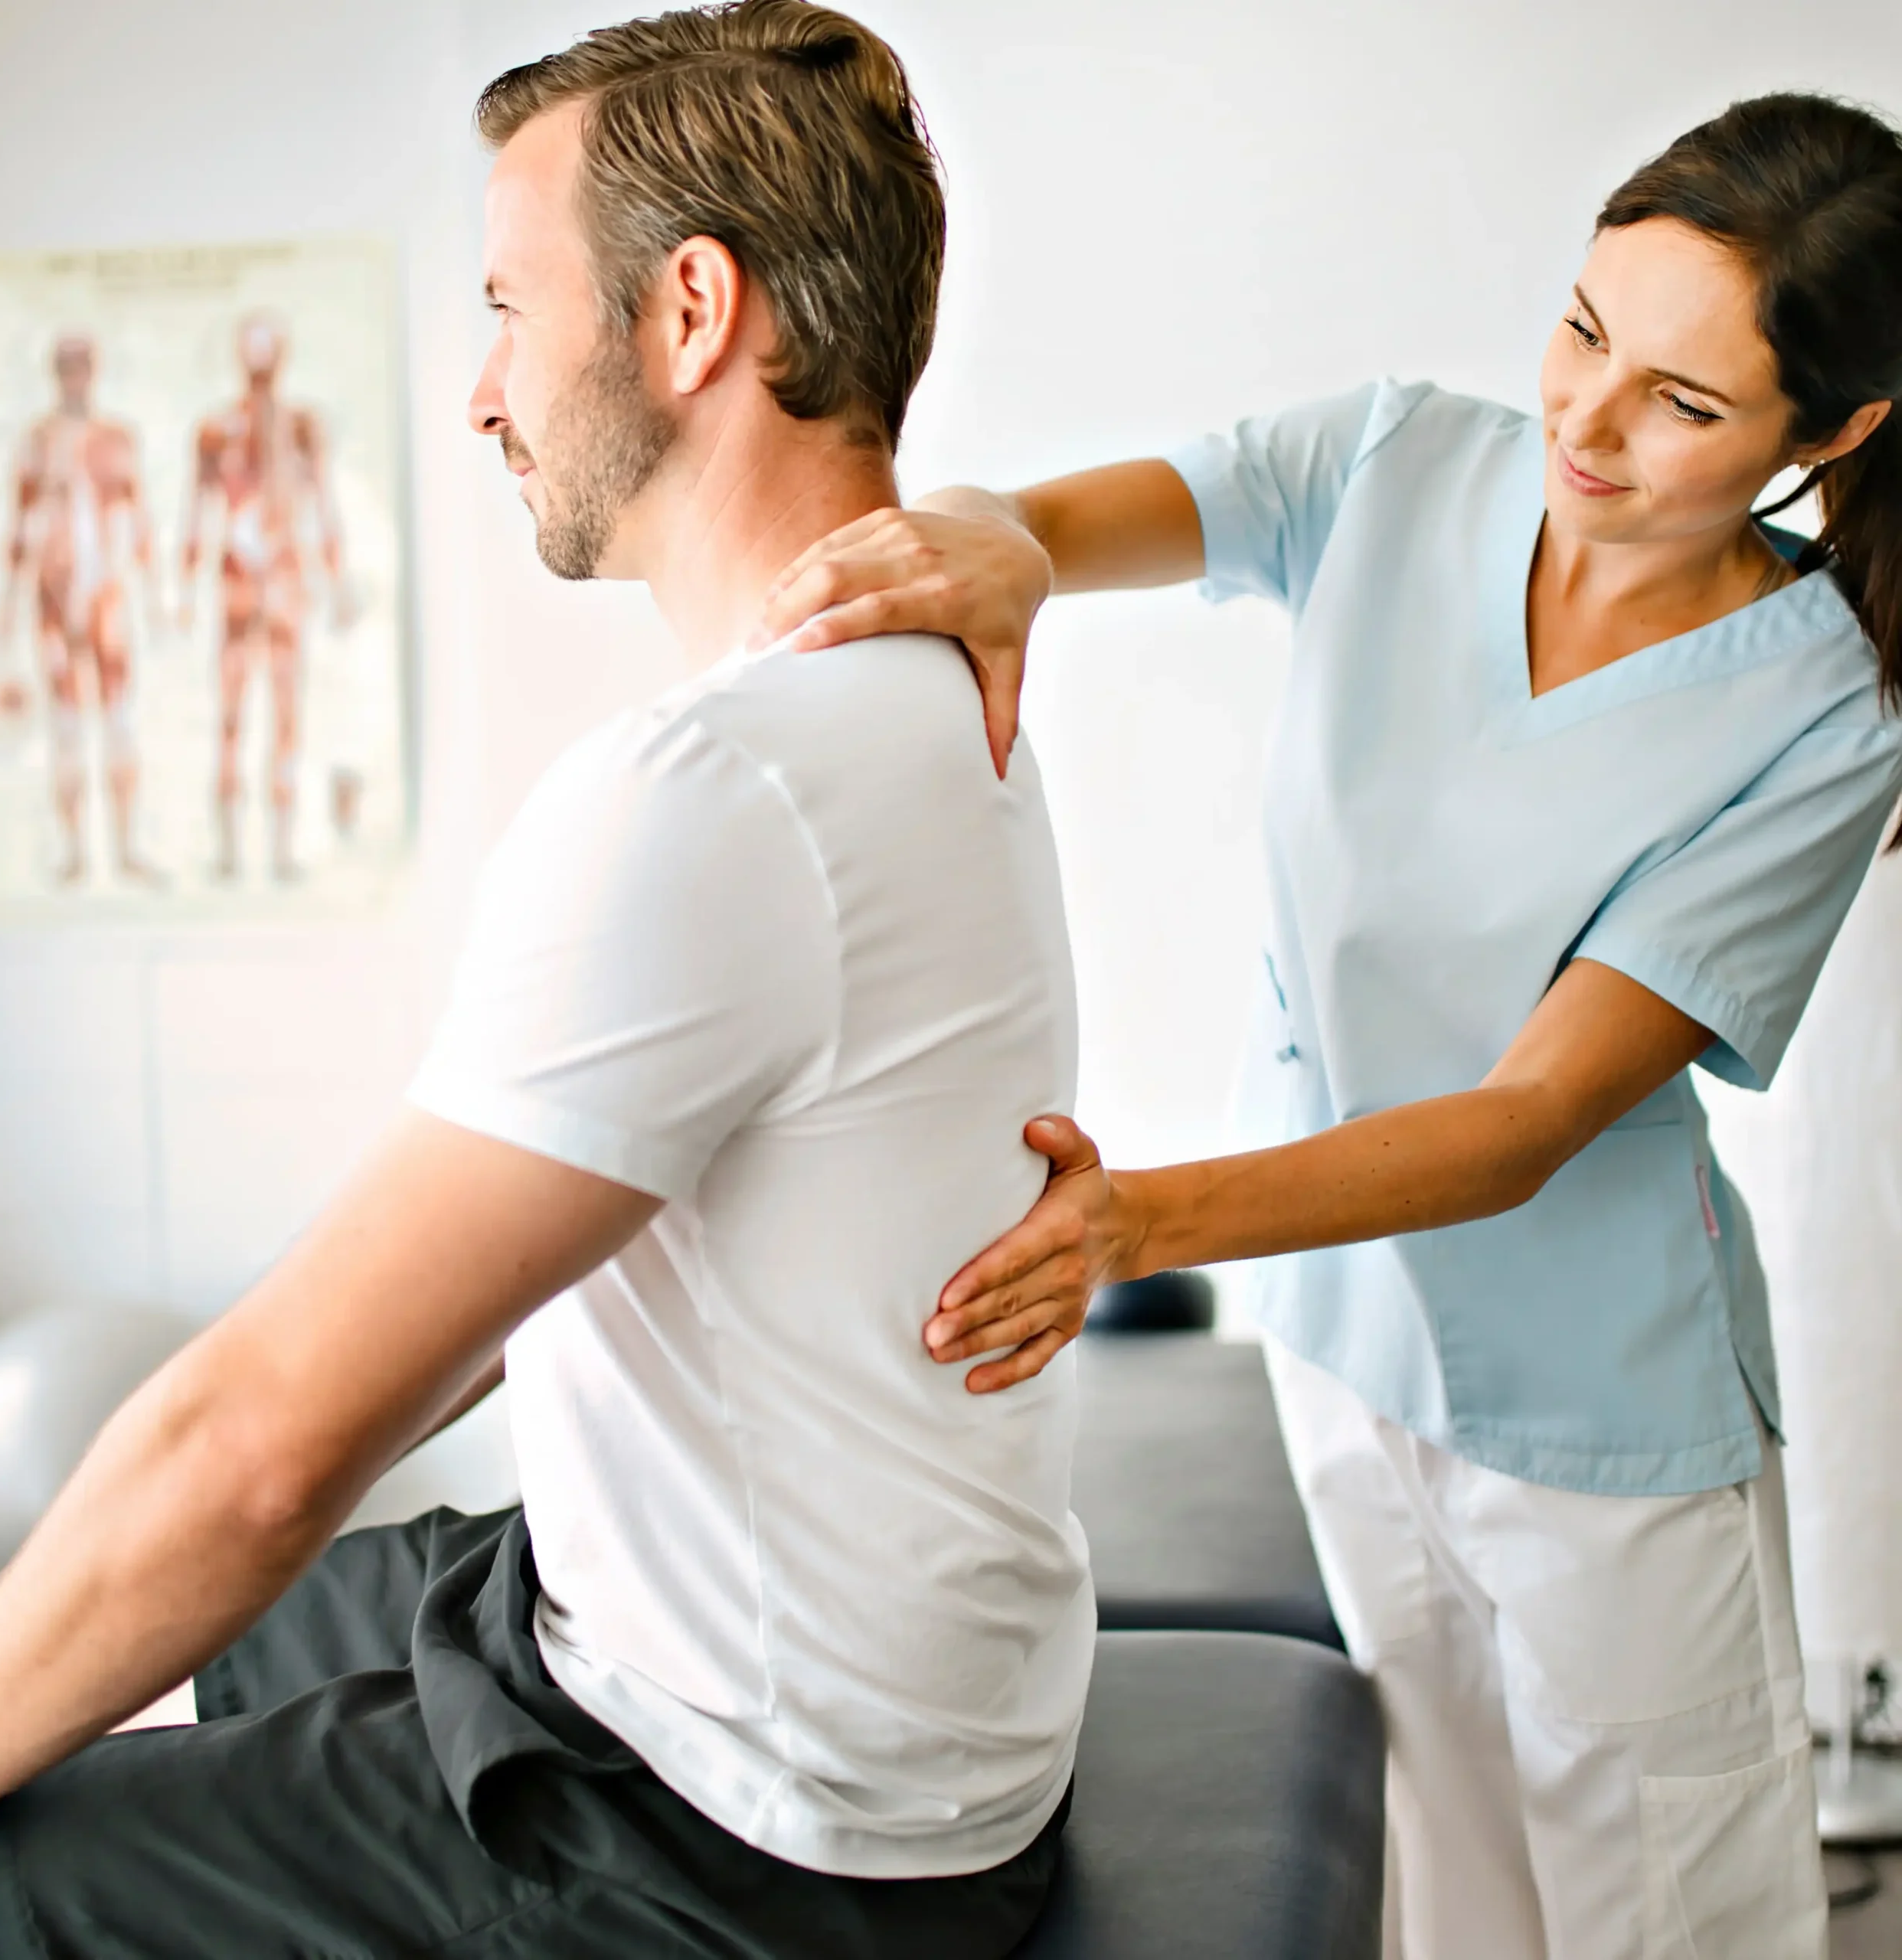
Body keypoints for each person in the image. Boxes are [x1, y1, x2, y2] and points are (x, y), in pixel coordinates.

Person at [0, 7, 1090, 1955]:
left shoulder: (718, 786)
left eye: (504, 306)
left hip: (742, 1841)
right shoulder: (927, 701)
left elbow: (257, 1449)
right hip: (848, 1720)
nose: (483, 391)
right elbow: (457, 1317)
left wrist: (258, 1455)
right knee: (177, 1637)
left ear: (688, 311)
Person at [759, 92, 1902, 1960]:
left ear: (1829, 432)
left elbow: (1524, 1116)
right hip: (1345, 1361)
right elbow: (1048, 522)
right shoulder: (1398, 464)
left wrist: (1127, 1220)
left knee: (1670, 1921)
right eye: (1582, 328)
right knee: (1452, 1888)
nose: (1584, 421)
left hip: (1597, 1414)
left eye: (1682, 406)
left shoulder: (1816, 717)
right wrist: (976, 546)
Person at [180, 313, 350, 882]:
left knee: (284, 714)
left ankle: (278, 850)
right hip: (240, 578)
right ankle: (230, 850)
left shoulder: (301, 426)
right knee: (231, 715)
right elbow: (197, 511)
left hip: (282, 578)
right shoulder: (216, 428)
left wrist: (337, 579)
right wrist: (183, 586)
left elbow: (323, 505)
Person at [0, 334, 162, 887]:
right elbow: (19, 527)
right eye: (67, 368)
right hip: (53, 598)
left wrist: (155, 593)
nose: (76, 377)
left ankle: (127, 846)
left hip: (105, 597)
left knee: (120, 724)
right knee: (66, 728)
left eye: (83, 367)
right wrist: (9, 603)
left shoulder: (116, 439)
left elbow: (138, 518)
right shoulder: (37, 441)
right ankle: (73, 851)